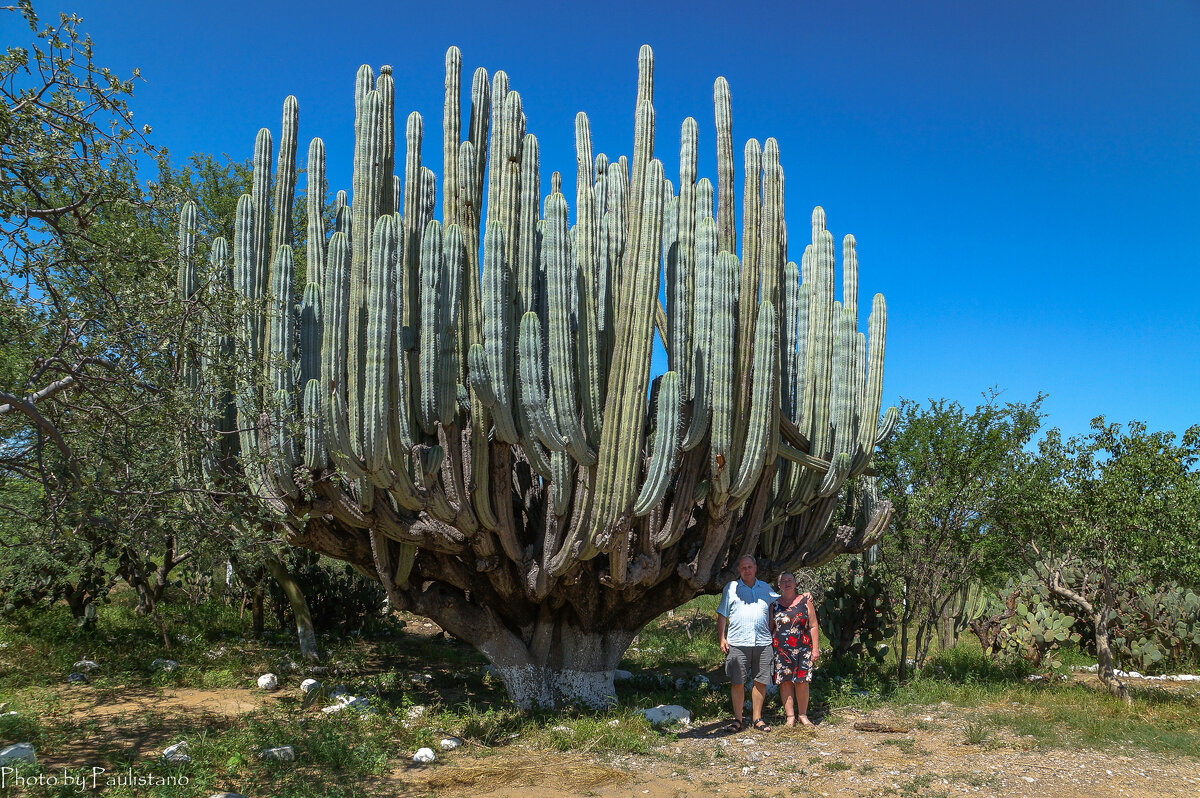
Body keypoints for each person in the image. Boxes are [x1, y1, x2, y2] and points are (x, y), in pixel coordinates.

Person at [716, 555, 779, 732]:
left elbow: (782, 603)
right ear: (738, 570)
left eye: (750, 567)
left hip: (763, 642)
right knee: (737, 681)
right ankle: (738, 719)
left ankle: (757, 718)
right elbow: (722, 614)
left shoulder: (766, 588)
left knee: (761, 681)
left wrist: (804, 596)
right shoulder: (731, 588)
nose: (747, 570)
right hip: (737, 642)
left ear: (755, 568)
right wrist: (721, 638)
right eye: (743, 567)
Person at [768, 571, 820, 727]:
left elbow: (813, 625)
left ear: (795, 583)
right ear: (779, 586)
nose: (787, 583)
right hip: (781, 650)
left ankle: (803, 715)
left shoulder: (805, 602)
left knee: (802, 681)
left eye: (790, 580)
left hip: (803, 648)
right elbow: (771, 627)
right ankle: (790, 717)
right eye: (783, 581)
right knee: (785, 682)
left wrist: (815, 649)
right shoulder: (774, 605)